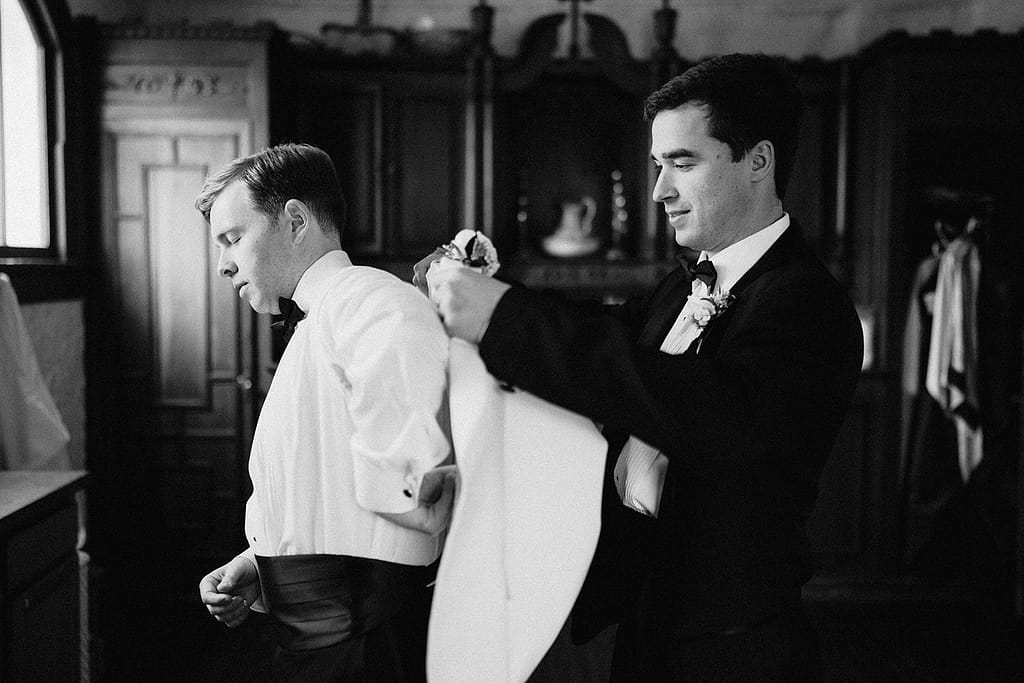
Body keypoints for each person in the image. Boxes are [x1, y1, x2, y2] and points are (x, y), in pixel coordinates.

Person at [424, 53, 863, 681]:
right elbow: (604, 346)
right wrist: (492, 296)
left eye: (683, 163)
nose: (660, 190)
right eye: (659, 165)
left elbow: (701, 411)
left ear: (758, 161)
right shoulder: (680, 286)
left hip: (732, 650)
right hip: (646, 626)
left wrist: (503, 316)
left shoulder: (808, 304)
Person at [196, 143, 455, 682]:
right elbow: (325, 486)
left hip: (367, 648)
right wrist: (262, 563)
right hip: (316, 644)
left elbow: (417, 490)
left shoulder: (373, 303)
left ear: (295, 221)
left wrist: (310, 577)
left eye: (233, 238)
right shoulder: (322, 319)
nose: (223, 265)